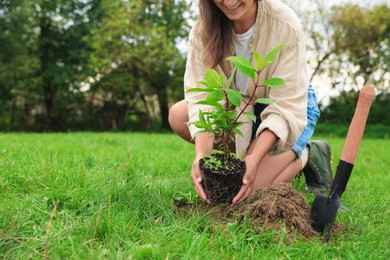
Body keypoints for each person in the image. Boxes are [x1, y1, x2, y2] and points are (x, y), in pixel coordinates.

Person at [169, 0, 332, 205]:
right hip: (241, 111)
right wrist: (202, 156)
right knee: (179, 115)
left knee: (252, 192)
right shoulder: (203, 29)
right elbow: (201, 97)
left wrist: (254, 158)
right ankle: (247, 156)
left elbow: (286, 105)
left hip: (289, 109)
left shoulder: (285, 23)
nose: (229, 2)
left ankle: (307, 154)